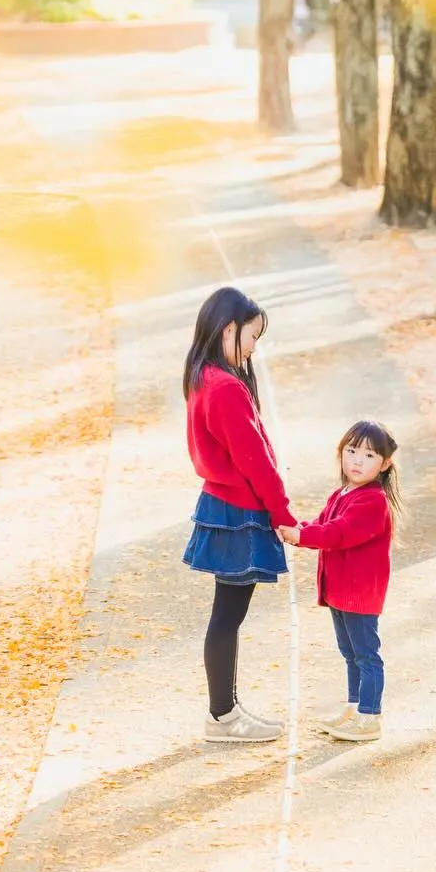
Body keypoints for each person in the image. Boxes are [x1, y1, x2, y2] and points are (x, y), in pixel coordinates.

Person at [181, 286, 297, 744]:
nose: (253, 348)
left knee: (226, 615)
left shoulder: (203, 376)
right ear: (229, 329)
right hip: (238, 510)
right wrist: (282, 514)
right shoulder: (226, 388)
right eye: (251, 337)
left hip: (223, 503)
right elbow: (255, 461)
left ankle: (226, 710)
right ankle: (222, 716)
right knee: (227, 617)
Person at [278, 420, 401, 744]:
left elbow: (337, 534)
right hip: (341, 591)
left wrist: (301, 535)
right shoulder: (342, 493)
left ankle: (370, 716)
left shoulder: (373, 501)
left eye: (369, 455)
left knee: (366, 654)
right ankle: (355, 707)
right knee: (350, 653)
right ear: (341, 453)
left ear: (385, 464)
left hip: (359, 592)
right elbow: (322, 525)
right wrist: (296, 528)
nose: (358, 460)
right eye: (352, 451)